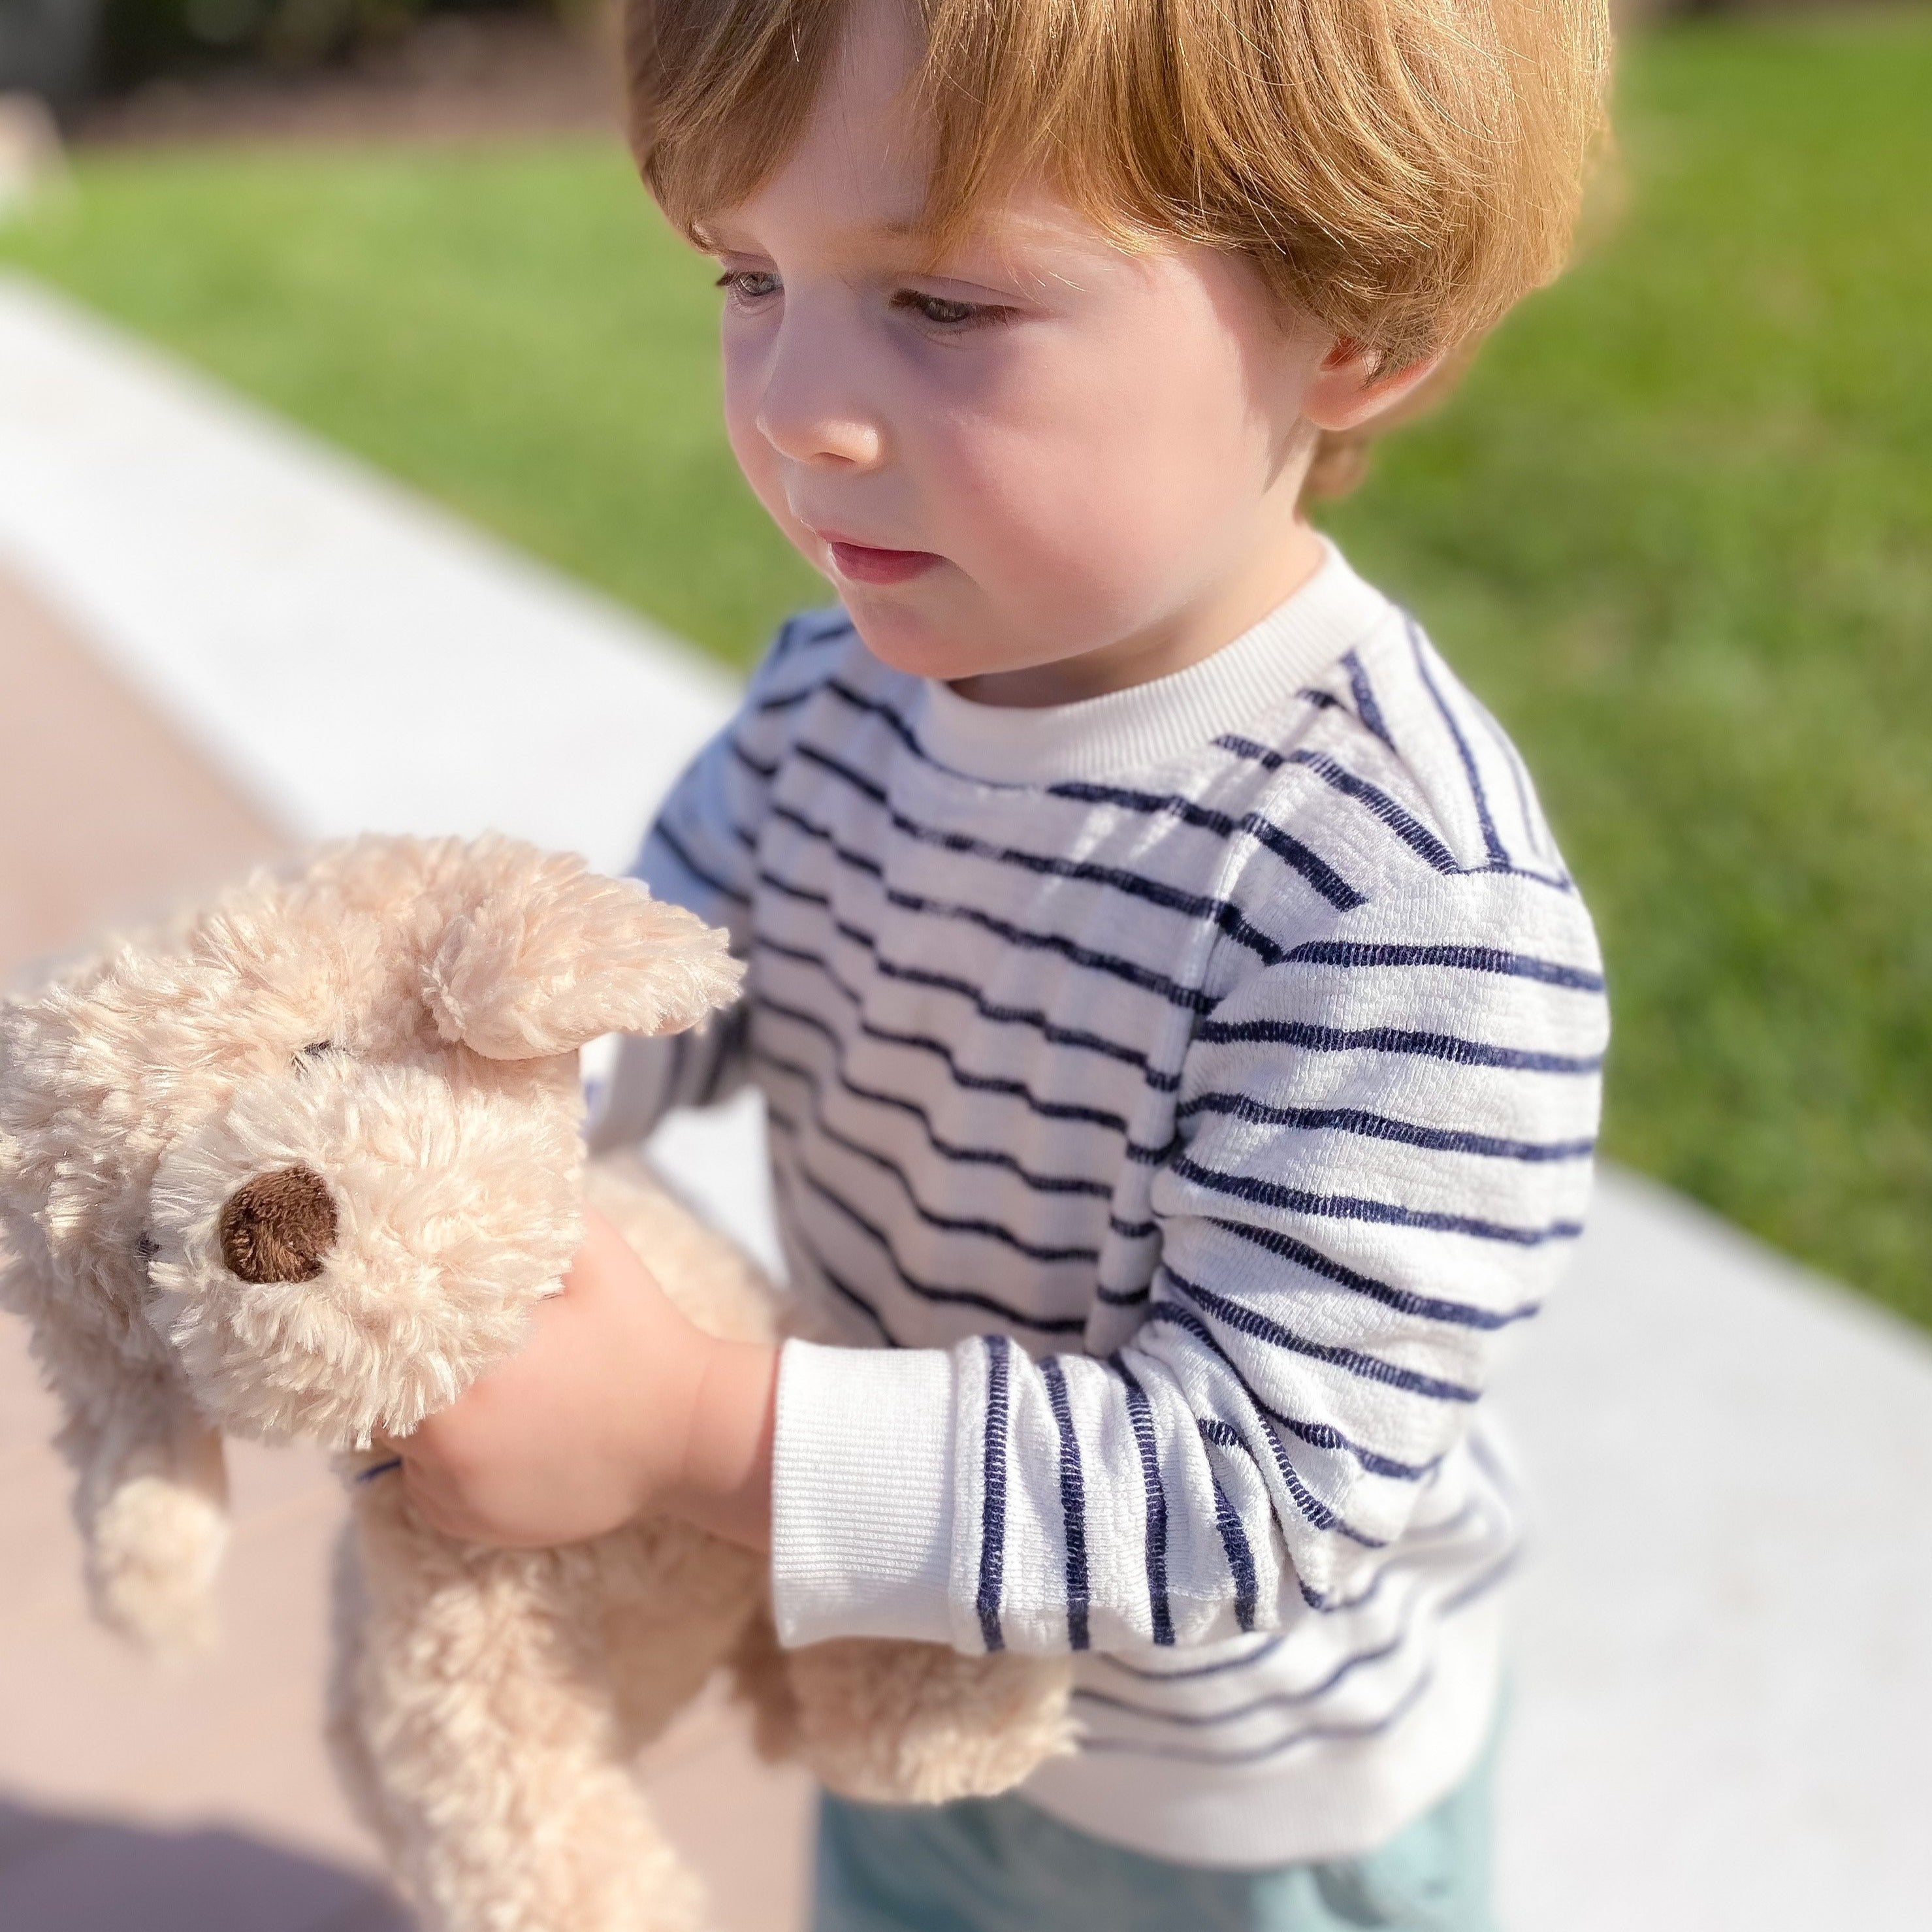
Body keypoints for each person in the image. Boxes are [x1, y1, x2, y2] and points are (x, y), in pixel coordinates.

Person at [389, 0, 1613, 1922]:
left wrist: (690, 1428)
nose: (795, 403)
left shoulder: (1395, 894)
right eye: (747, 274)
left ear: (1352, 319)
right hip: (897, 1677)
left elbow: (1250, 1491)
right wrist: (442, 1111)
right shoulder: (838, 695)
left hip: (1228, 1816)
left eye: (943, 306)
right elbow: (662, 972)